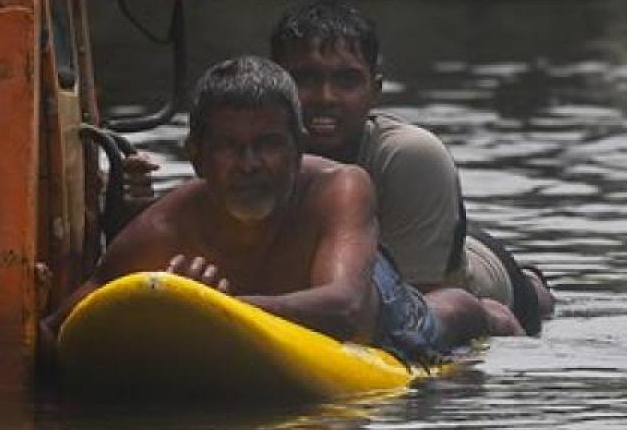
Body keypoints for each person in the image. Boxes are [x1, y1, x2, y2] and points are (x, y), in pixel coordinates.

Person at [42, 56, 521, 364]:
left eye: (268, 144)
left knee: (458, 311)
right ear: (197, 158)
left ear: (298, 149)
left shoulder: (340, 186)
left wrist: (211, 311)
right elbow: (56, 331)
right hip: (276, 308)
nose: (250, 165)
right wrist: (160, 310)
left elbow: (346, 309)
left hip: (382, 309)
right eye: (230, 148)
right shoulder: (170, 224)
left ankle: (507, 306)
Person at [268, 0, 554, 335]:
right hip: (357, 262)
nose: (325, 97)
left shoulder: (410, 155)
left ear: (375, 91)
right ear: (276, 87)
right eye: (306, 79)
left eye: (346, 80)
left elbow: (416, 313)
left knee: (530, 301)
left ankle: (535, 287)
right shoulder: (250, 149)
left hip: (465, 275)